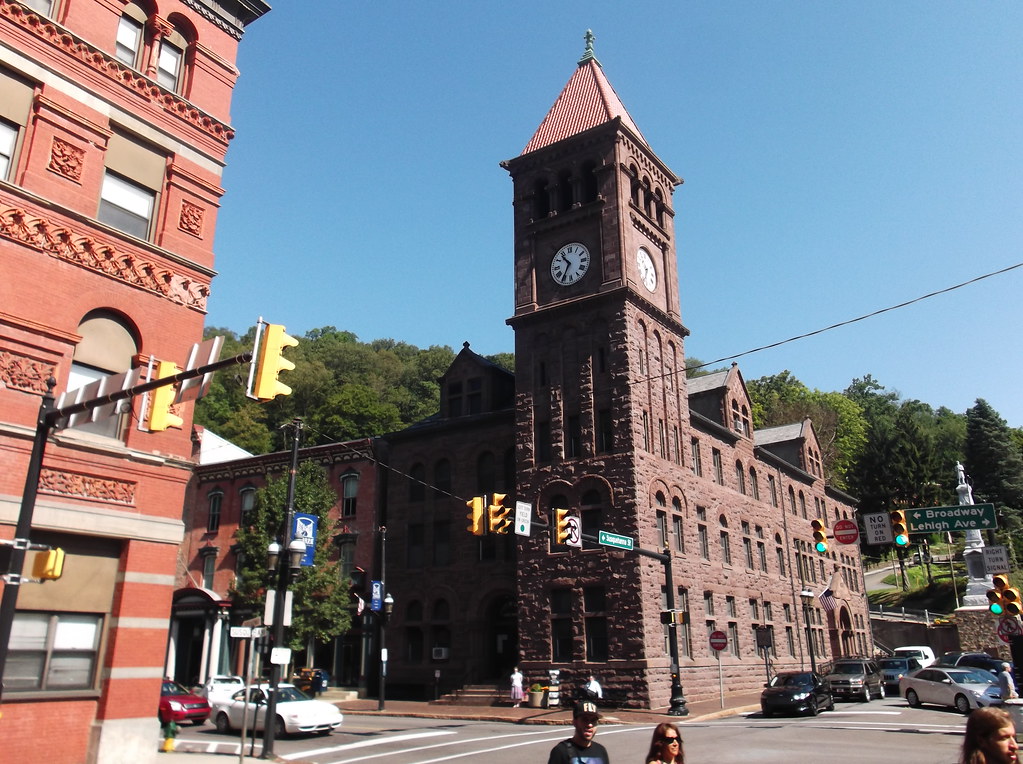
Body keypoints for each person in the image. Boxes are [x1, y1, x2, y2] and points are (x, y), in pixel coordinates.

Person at [547, 700, 609, 764]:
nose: (590, 725)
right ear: (575, 722)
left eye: (593, 720)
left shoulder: (601, 751)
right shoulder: (561, 751)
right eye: (585, 720)